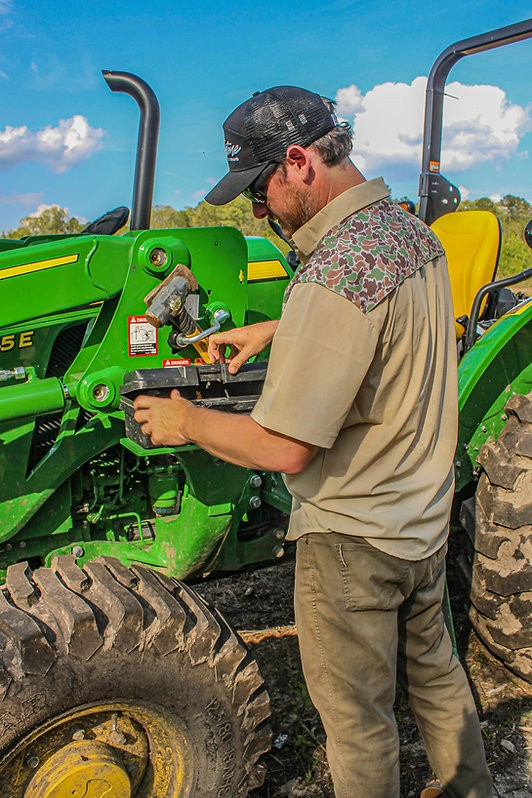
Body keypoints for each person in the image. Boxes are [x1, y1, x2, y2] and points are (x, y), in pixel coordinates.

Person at [133, 86, 493, 798]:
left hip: (355, 541)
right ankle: (471, 788)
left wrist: (183, 423)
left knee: (357, 723)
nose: (257, 211)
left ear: (298, 161)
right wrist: (282, 330)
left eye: (258, 191)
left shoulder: (332, 273)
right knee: (438, 675)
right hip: (419, 519)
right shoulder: (408, 234)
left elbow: (284, 449)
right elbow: (383, 330)